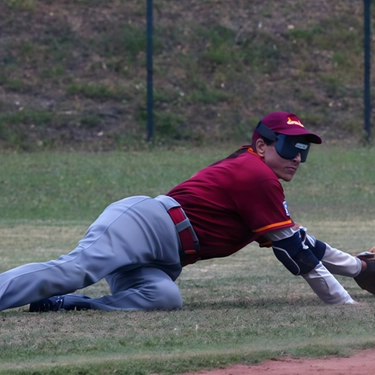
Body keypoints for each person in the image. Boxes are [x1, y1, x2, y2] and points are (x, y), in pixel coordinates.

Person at [0, 111, 367, 312]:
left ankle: (70, 306)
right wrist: (344, 304)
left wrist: (359, 267)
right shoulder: (255, 174)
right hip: (146, 225)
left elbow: (298, 241)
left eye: (304, 149)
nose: (298, 157)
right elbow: (296, 254)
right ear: (261, 145)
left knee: (163, 298)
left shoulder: (259, 177)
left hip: (164, 257)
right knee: (76, 269)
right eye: (290, 146)